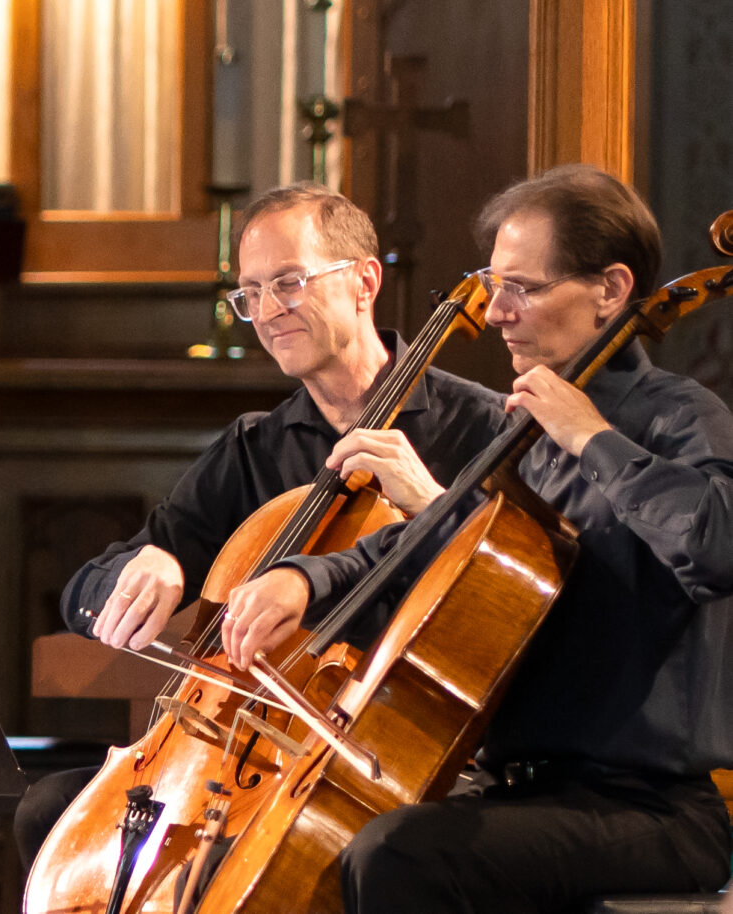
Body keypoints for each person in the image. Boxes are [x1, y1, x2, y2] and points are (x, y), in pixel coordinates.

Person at [223, 165, 733, 911]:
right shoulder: (520, 432)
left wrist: (590, 436)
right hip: (519, 791)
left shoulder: (679, 417)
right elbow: (434, 541)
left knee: (400, 857)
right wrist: (306, 580)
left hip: (651, 807)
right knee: (331, 842)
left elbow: (719, 545)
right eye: (493, 286)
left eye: (522, 288)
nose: (496, 313)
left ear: (611, 290)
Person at [12, 183, 508, 864]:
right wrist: (146, 567)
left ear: (364, 281)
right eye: (250, 293)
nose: (268, 312)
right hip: (244, 757)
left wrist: (435, 503)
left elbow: (511, 598)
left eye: (289, 283)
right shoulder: (254, 448)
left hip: (398, 753)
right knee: (52, 813)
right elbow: (81, 592)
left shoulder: (482, 426)